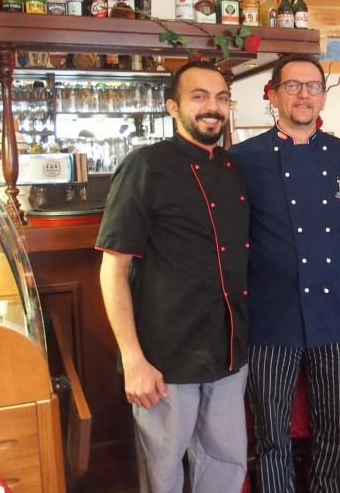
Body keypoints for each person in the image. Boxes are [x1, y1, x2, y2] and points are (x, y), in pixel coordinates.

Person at [97, 60, 250, 492]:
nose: (213, 107)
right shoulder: (144, 166)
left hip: (228, 350)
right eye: (199, 96)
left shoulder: (232, 168)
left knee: (226, 464)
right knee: (162, 475)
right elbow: (113, 268)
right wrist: (133, 360)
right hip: (164, 358)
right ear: (172, 107)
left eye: (221, 98)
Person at [230, 53, 340, 493]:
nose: (305, 95)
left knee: (333, 431)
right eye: (293, 86)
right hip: (271, 318)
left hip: (332, 316)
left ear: (323, 95)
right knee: (271, 436)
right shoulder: (242, 158)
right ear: (273, 94)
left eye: (313, 86)